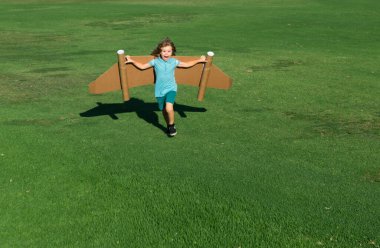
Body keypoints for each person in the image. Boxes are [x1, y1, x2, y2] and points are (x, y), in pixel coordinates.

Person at [125, 37, 206, 137]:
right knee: (164, 110)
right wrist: (131, 60)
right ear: (160, 51)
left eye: (169, 51)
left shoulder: (174, 62)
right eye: (164, 51)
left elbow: (186, 65)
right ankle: (168, 125)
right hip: (159, 91)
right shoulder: (155, 62)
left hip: (171, 88)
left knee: (169, 108)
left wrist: (199, 60)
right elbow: (142, 66)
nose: (166, 53)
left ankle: (172, 126)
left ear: (172, 52)